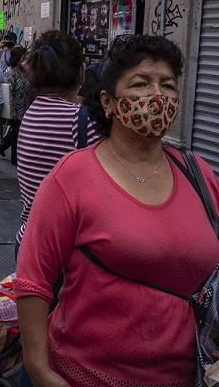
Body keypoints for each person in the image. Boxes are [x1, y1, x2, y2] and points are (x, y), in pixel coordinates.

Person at [16, 34, 219, 386]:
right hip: (84, 374)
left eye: (168, 85)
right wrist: (39, 369)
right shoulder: (73, 176)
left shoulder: (198, 173)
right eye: (141, 83)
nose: (157, 96)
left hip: (186, 375)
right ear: (108, 102)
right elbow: (33, 278)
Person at [15, 30, 100, 248]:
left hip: (29, 238)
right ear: (82, 72)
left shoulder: (32, 111)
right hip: (61, 249)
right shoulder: (79, 120)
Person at [0, 46, 31, 165]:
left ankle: (3, 145)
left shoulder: (25, 72)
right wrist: (11, 108)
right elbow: (7, 92)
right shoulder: (10, 73)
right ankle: (15, 158)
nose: (25, 60)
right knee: (18, 131)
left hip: (24, 106)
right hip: (14, 108)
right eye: (23, 57)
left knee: (17, 131)